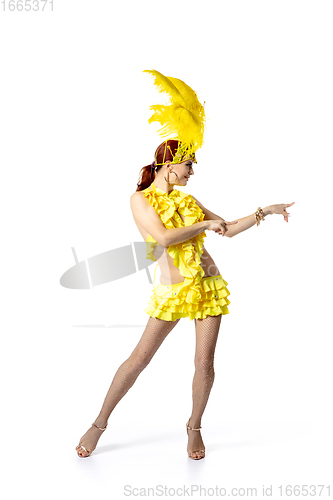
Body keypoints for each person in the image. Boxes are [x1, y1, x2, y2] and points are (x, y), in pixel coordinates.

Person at [75, 71, 295, 460]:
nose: (193, 171)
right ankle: (99, 423)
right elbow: (163, 238)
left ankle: (194, 427)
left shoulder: (192, 203)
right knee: (138, 359)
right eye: (189, 164)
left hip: (208, 284)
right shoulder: (140, 199)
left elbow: (227, 229)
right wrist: (204, 224)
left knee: (204, 363)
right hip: (172, 288)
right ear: (170, 165)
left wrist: (265, 211)